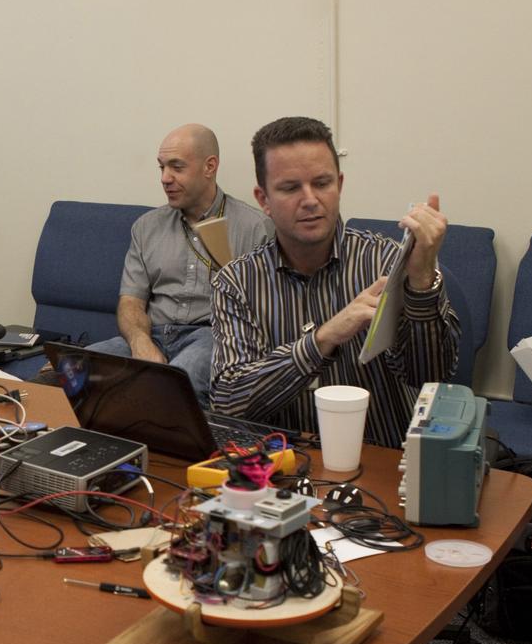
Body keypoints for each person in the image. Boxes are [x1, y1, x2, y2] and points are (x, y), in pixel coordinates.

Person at [210, 116, 461, 448]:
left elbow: (431, 375)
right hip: (286, 470)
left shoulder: (384, 262)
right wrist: (322, 339)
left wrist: (421, 283)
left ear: (339, 185)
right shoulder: (236, 283)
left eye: (322, 183)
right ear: (263, 199)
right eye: (290, 188)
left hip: (380, 460)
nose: (311, 199)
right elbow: (229, 404)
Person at [88, 124, 270, 405]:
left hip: (212, 337)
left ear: (210, 167)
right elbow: (131, 303)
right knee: (77, 368)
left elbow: (264, 315)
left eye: (176, 167)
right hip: (154, 334)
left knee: (174, 383)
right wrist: (140, 343)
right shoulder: (147, 227)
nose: (165, 178)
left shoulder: (255, 228)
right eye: (161, 168)